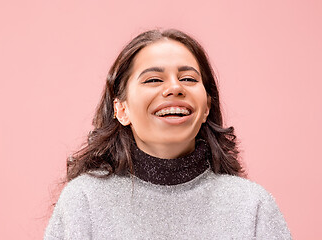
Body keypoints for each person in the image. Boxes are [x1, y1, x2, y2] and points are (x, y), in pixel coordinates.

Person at [44, 29, 291, 239]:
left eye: (187, 78)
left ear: (206, 107)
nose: (174, 87)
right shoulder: (84, 201)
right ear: (122, 109)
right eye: (153, 80)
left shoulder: (252, 205)